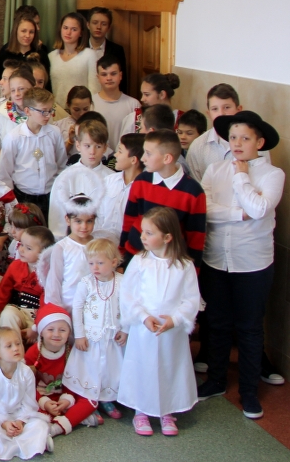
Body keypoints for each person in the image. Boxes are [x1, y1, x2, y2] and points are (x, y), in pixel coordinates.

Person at [197, 111, 284, 419]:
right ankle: (216, 381)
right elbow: (205, 209)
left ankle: (249, 392)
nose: (237, 143)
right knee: (218, 324)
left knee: (249, 328)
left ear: (259, 142)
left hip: (253, 263)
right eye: (233, 137)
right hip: (216, 259)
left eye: (245, 138)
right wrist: (238, 214)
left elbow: (259, 209)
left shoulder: (273, 174)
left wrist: (242, 177)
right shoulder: (214, 169)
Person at [118, 207, 200, 436]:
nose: (142, 237)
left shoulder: (184, 265)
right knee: (144, 366)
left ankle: (167, 410)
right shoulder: (140, 262)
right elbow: (127, 294)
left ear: (167, 237)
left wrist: (175, 319)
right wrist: (143, 317)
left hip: (171, 331)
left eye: (149, 233)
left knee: (169, 367)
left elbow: (191, 299)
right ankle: (141, 411)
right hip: (144, 329)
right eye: (142, 232)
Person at [120, 129, 206, 264]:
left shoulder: (193, 191)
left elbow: (195, 237)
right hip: (135, 256)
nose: (142, 158)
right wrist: (122, 256)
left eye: (148, 153)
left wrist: (193, 269)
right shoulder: (141, 180)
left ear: (167, 158)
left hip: (170, 264)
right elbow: (129, 220)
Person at [63, 238, 126, 419]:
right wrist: (79, 335)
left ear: (113, 262)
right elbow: (77, 308)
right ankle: (89, 401)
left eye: (100, 263)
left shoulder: (122, 282)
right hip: (90, 338)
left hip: (112, 337)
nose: (95, 267)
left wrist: (125, 330)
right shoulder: (87, 283)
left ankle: (106, 399)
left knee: (109, 369)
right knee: (90, 368)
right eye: (91, 263)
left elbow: (129, 307)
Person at [0, 328, 51, 460]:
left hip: (18, 414)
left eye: (18, 343)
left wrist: (20, 421)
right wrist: (4, 423)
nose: (16, 348)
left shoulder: (26, 372)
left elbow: (29, 403)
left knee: (39, 424)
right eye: (9, 346)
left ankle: (38, 443)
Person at [24, 304, 101, 437]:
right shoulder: (32, 354)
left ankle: (57, 427)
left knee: (91, 400)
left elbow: (74, 380)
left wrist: (67, 399)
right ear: (41, 331)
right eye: (51, 329)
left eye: (62, 330)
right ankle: (74, 418)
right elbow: (27, 386)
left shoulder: (70, 351)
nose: (56, 334)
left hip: (63, 396)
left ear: (69, 333)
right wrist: (45, 403)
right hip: (41, 398)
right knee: (26, 408)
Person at [0, 87, 67, 215]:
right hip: (24, 195)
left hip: (50, 194)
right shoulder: (14, 137)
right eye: (43, 111)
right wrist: (11, 200)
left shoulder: (55, 133)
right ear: (28, 111)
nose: (48, 115)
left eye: (50, 110)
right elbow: (5, 171)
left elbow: (61, 163)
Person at [47, 119, 113, 237]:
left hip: (101, 242)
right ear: (78, 145)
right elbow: (57, 217)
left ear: (105, 148)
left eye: (98, 146)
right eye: (87, 146)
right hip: (72, 240)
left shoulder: (112, 178)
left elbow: (112, 216)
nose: (92, 152)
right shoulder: (65, 178)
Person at [0, 226, 55, 343]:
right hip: (17, 309)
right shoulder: (15, 266)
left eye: (28, 248)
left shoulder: (48, 272)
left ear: (44, 252)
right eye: (21, 244)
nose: (21, 250)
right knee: (8, 315)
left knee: (46, 332)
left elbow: (46, 301)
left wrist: (35, 327)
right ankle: (14, 346)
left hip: (36, 314)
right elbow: (4, 290)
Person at [42, 194, 97, 313]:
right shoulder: (61, 247)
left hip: (93, 305)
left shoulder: (98, 245)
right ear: (68, 220)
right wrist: (56, 309)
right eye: (78, 221)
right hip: (68, 304)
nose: (84, 226)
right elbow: (55, 280)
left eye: (89, 221)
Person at [186, 83, 247, 181]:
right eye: (215, 109)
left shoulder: (255, 143)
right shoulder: (198, 146)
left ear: (239, 110)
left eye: (227, 107)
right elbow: (194, 185)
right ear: (209, 114)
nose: (221, 113)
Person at [98, 133, 145, 244]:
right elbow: (98, 213)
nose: (115, 155)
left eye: (120, 151)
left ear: (133, 160)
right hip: (102, 244)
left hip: (128, 244)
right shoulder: (109, 181)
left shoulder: (144, 188)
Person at [48, 12, 100, 103]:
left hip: (81, 109)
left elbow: (95, 90)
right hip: (56, 109)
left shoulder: (89, 55)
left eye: (74, 29)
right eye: (65, 28)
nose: (68, 32)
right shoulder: (52, 56)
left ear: (81, 33)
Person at [92, 55, 140, 151]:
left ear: (120, 75)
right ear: (98, 77)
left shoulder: (134, 104)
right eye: (104, 74)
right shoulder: (90, 103)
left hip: (125, 157)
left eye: (113, 74)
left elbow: (138, 137)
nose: (109, 78)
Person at [0, 10, 51, 80]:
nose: (27, 35)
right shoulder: (5, 52)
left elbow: (47, 82)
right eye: (23, 31)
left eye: (31, 32)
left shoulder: (41, 53)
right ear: (16, 31)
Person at [86, 7, 128, 92]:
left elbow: (122, 82)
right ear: (88, 25)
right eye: (95, 23)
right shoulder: (79, 48)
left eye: (104, 24)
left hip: (108, 95)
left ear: (109, 28)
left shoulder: (117, 50)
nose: (99, 27)